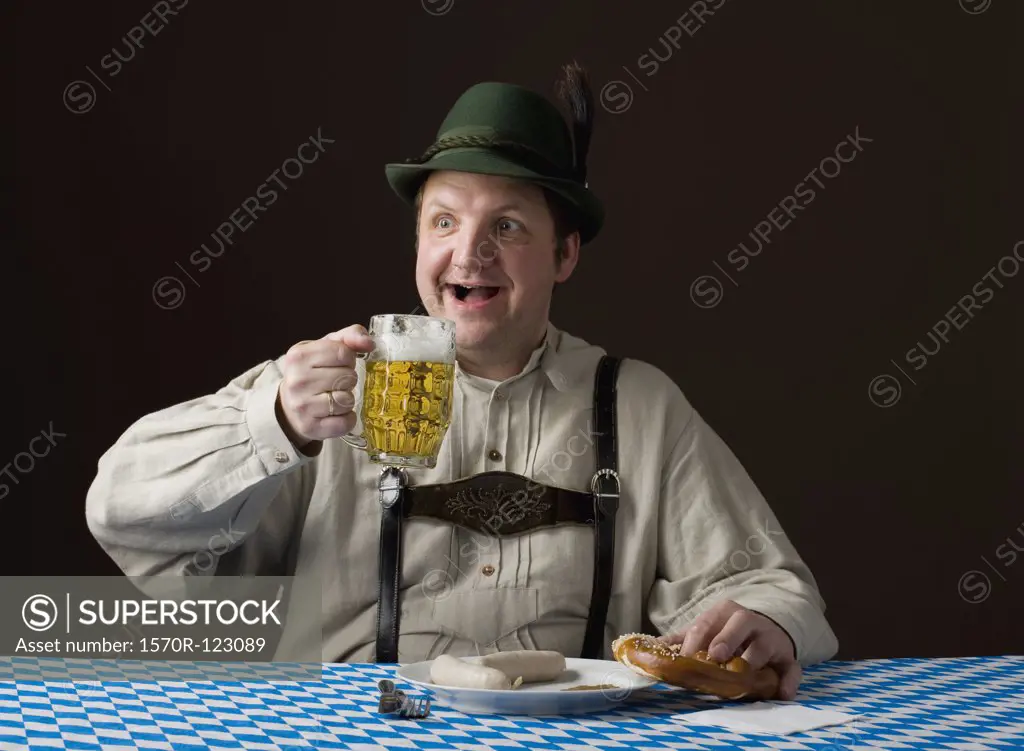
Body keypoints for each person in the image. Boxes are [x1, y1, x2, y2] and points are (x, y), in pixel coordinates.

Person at [85, 62, 838, 699]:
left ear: (565, 254)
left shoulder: (635, 402)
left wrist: (762, 620)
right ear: (418, 242)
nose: (469, 253)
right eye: (443, 222)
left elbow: (772, 583)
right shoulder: (327, 387)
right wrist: (270, 422)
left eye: (506, 226)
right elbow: (120, 510)